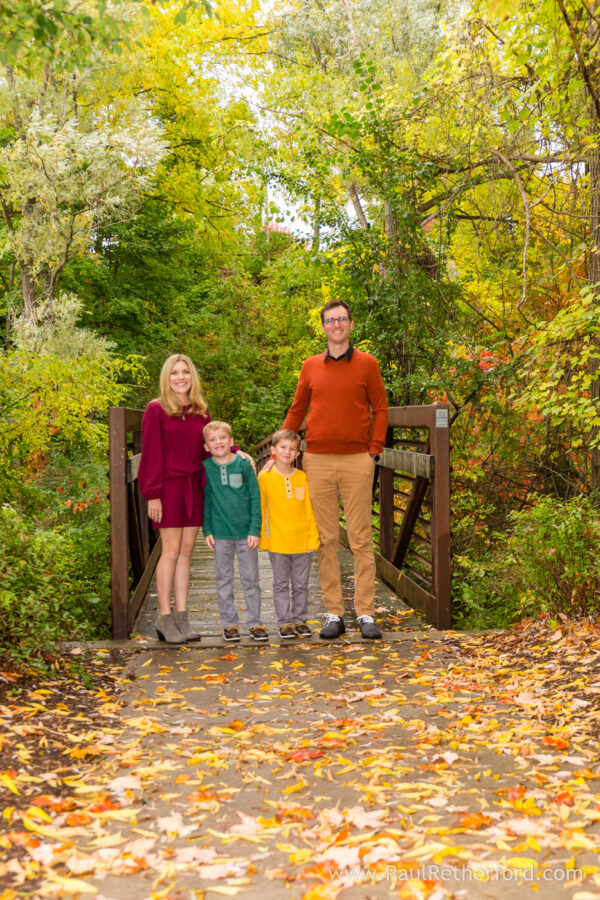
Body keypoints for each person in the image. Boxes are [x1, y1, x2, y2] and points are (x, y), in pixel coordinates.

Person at [282, 299, 388, 640]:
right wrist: (281, 451)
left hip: (358, 460)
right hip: (317, 461)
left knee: (360, 538)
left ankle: (366, 613)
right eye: (331, 320)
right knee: (326, 539)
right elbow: (297, 410)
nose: (337, 324)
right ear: (324, 326)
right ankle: (334, 613)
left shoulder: (368, 364)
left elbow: (381, 409)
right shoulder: (311, 366)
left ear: (350, 324)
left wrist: (373, 452)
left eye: (342, 319)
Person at [137, 354, 250, 644]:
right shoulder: (156, 409)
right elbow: (150, 453)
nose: (180, 377)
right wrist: (153, 495)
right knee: (170, 552)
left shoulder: (201, 410)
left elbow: (209, 446)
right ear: (167, 377)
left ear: (192, 376)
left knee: (186, 553)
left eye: (185, 371)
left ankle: (183, 618)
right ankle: (164, 618)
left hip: (193, 487)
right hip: (168, 488)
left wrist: (235, 450)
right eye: (174, 372)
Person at [202, 421, 268, 643]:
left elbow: (254, 498)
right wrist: (207, 530)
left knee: (251, 579)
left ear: (231, 442)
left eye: (222, 438)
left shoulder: (243, 465)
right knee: (223, 580)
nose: (218, 442)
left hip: (245, 534)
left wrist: (255, 529)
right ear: (206, 446)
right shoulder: (206, 468)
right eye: (212, 439)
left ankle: (255, 622)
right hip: (220, 535)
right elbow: (207, 501)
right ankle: (229, 624)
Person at [258, 429, 320, 640]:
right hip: (278, 541)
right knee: (281, 584)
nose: (287, 451)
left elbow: (309, 509)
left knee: (301, 585)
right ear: (273, 450)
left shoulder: (302, 477)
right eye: (283, 447)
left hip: (302, 541)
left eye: (292, 449)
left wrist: (313, 537)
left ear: (297, 454)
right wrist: (262, 537)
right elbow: (261, 508)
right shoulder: (265, 477)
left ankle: (300, 620)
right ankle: (284, 623)